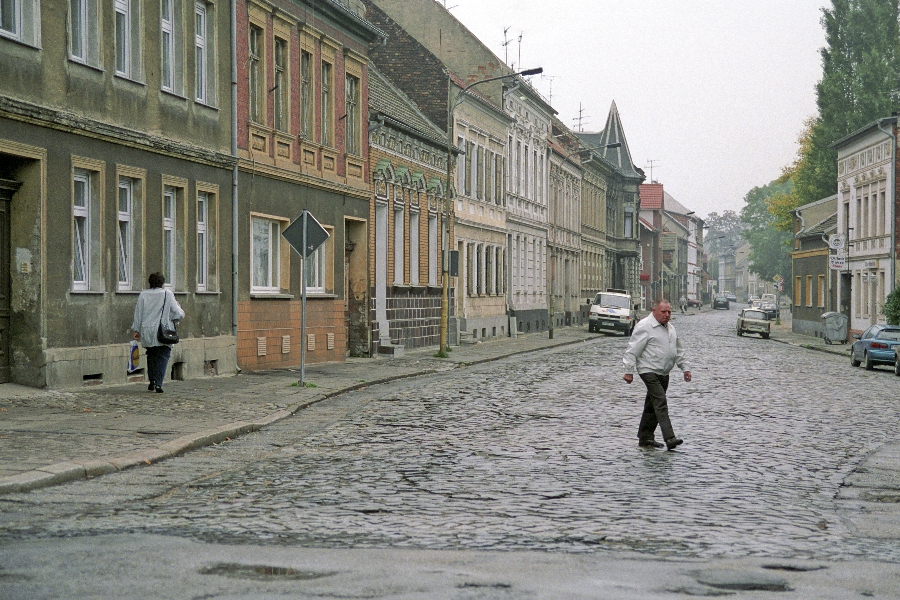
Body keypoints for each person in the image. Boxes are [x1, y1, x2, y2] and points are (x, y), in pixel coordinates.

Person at [622, 299, 691, 450]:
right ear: (654, 311)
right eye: (663, 312)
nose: (667, 315)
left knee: (652, 406)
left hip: (664, 371)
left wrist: (685, 368)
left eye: (669, 312)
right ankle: (670, 437)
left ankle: (645, 437)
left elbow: (678, 350)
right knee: (660, 402)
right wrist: (628, 371)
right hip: (648, 370)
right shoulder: (645, 326)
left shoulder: (670, 328)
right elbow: (633, 349)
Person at [131, 272, 184, 393]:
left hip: (147, 330)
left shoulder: (143, 295)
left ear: (150, 282)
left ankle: (152, 381)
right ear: (162, 283)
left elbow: (138, 314)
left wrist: (137, 330)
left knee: (151, 355)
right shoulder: (167, 294)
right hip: (163, 331)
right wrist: (174, 318)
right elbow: (178, 313)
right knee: (163, 355)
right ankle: (159, 383)